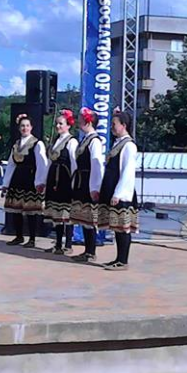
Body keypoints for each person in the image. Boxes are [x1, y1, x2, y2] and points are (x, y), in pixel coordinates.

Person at [98, 111, 139, 271]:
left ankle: (123, 260)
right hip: (113, 189)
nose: (112, 127)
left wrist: (119, 193)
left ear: (124, 125)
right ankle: (118, 258)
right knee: (116, 227)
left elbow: (127, 171)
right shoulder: (118, 143)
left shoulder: (129, 145)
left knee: (123, 228)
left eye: (114, 124)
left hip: (122, 193)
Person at [1, 113, 49, 248]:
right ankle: (19, 236)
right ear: (19, 128)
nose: (25, 128)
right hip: (17, 177)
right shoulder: (16, 144)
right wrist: (6, 183)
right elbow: (11, 164)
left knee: (31, 210)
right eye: (22, 126)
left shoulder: (37, 143)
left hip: (30, 177)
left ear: (31, 127)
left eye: (27, 125)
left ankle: (32, 238)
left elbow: (42, 163)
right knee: (16, 209)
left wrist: (40, 181)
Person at [69, 108, 105, 263]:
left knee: (90, 217)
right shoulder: (85, 139)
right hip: (81, 180)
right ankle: (87, 250)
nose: (78, 122)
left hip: (88, 181)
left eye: (81, 120)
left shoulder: (94, 141)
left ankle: (91, 251)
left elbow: (97, 165)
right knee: (84, 217)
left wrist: (95, 187)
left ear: (88, 122)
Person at [42, 109, 78, 254]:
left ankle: (68, 245)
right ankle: (57, 244)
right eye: (57, 124)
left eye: (61, 124)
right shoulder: (56, 141)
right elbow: (49, 162)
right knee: (56, 213)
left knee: (66, 212)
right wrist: (45, 180)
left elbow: (74, 163)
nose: (58, 126)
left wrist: (74, 183)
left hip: (65, 178)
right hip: (53, 178)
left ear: (68, 125)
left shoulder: (71, 141)